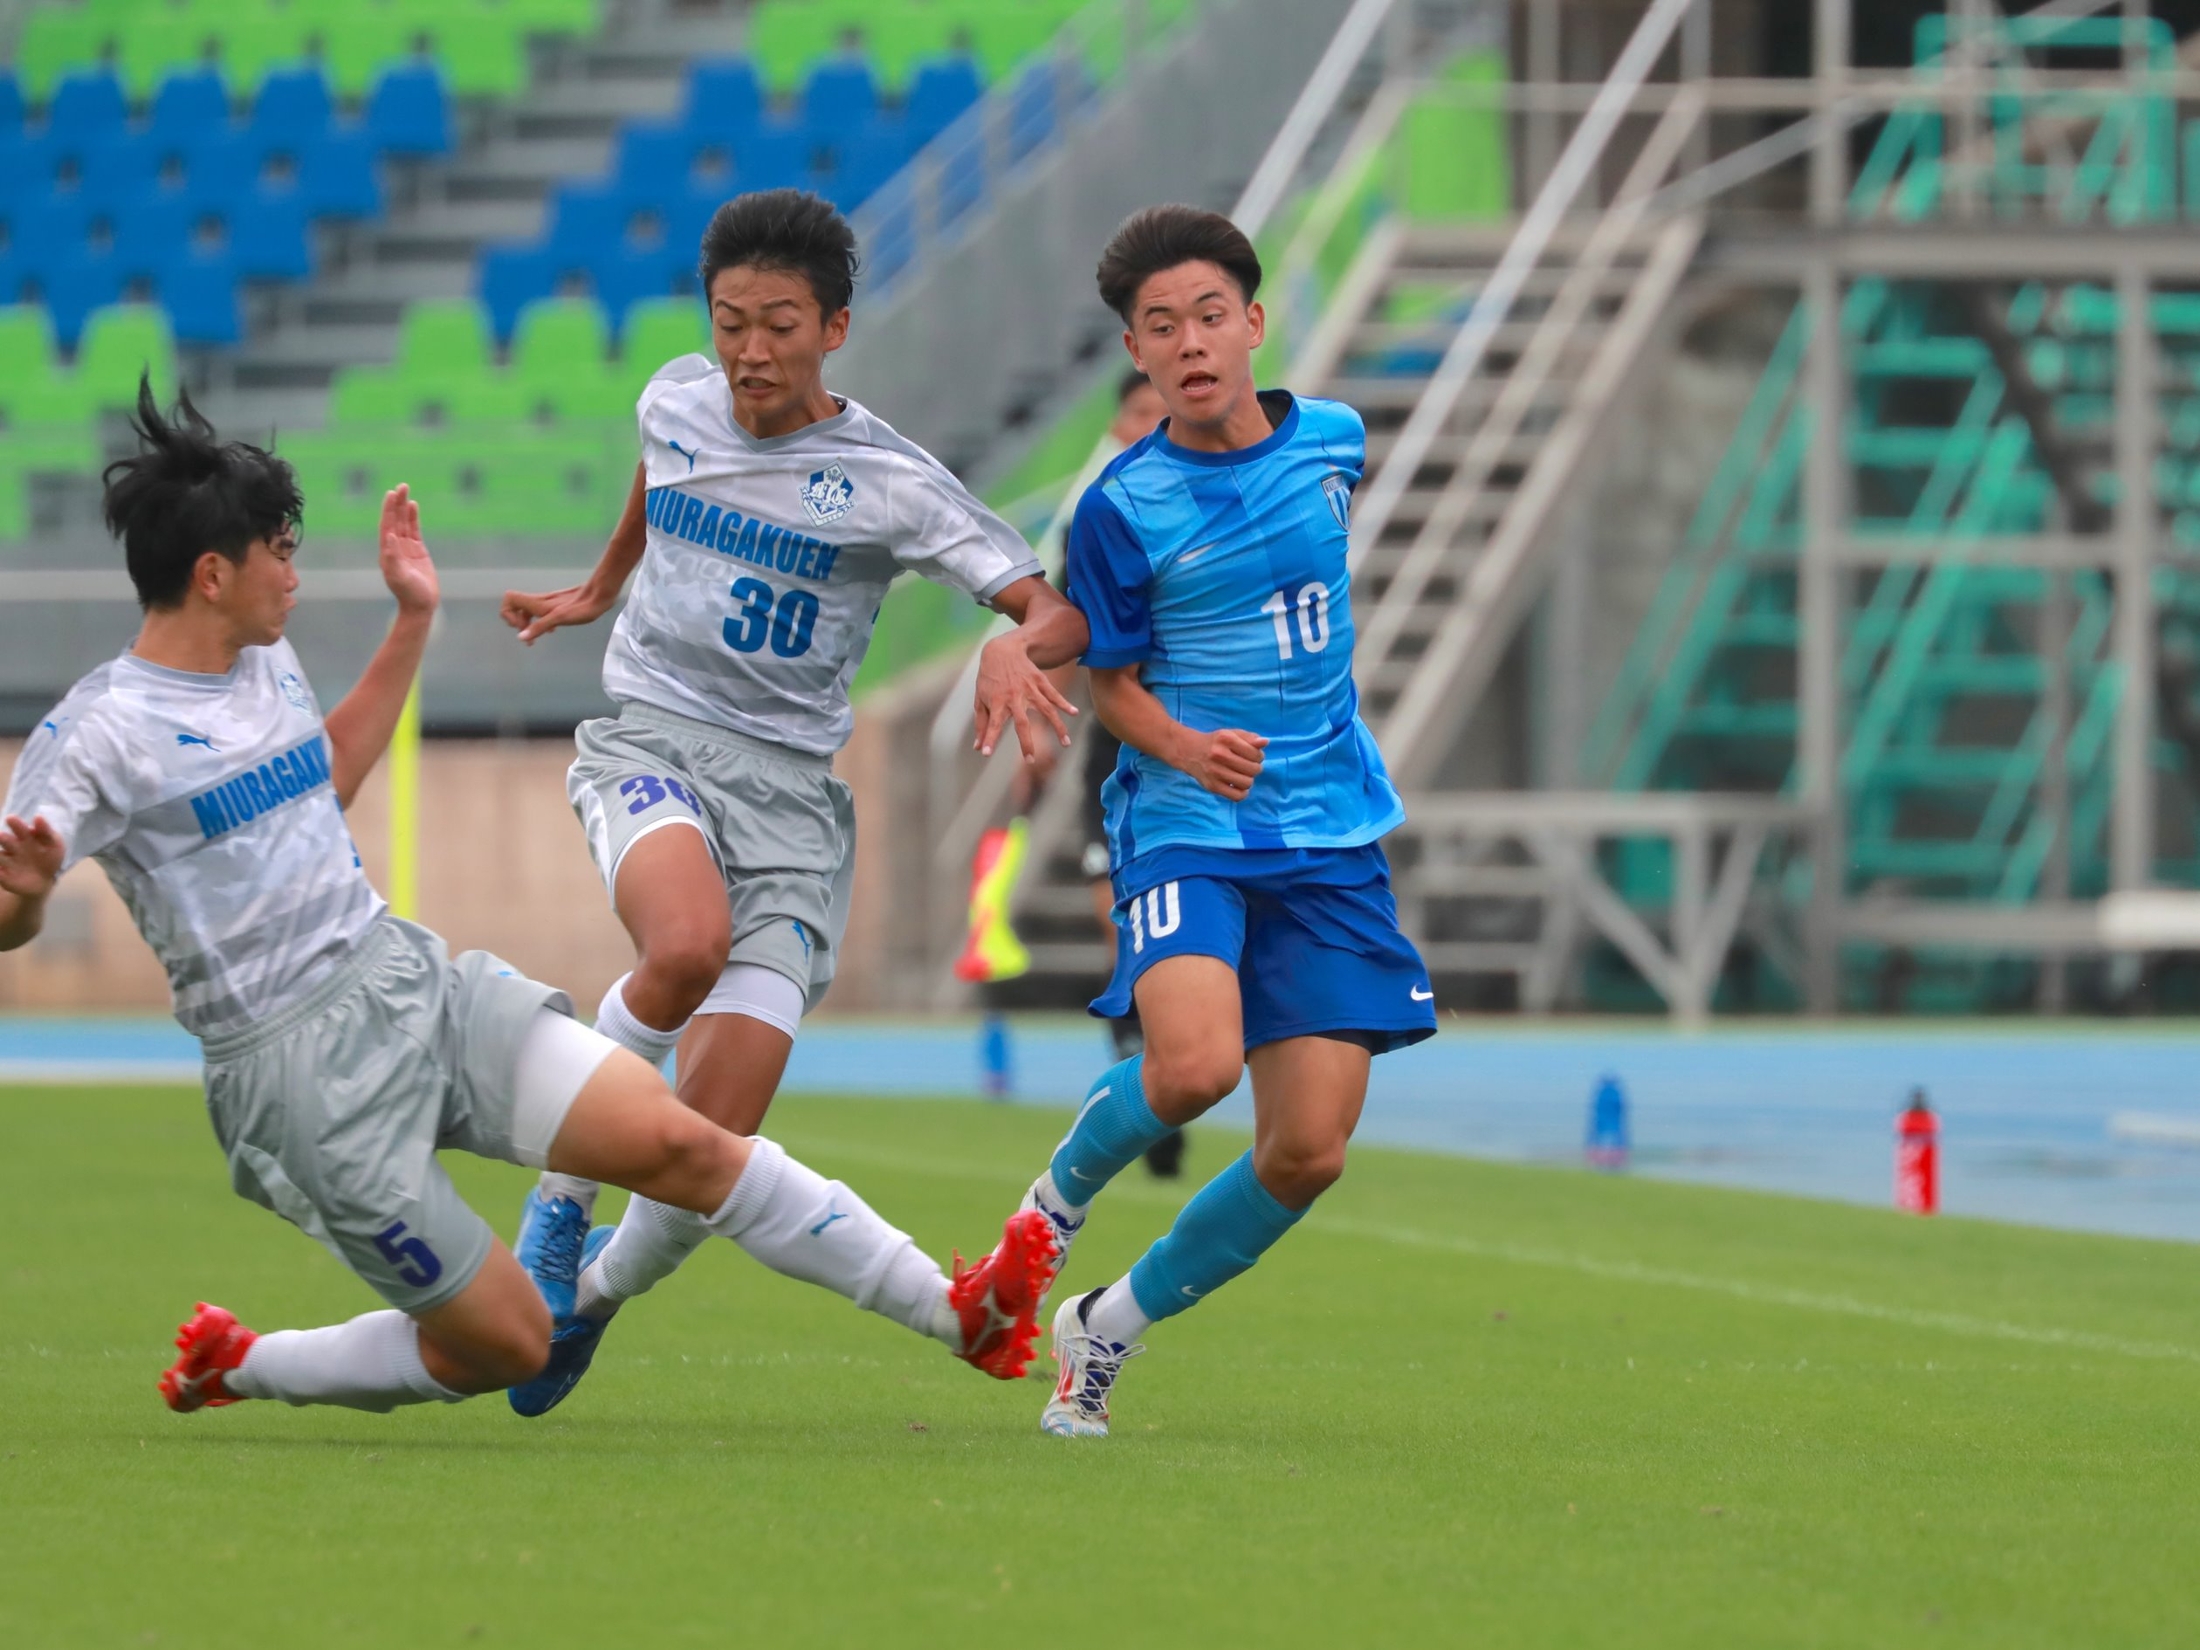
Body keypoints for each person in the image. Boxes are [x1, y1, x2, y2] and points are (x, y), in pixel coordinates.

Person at [0, 384, 1054, 1419]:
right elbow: (9, 908)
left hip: (407, 981)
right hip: (295, 1073)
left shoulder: (262, 668)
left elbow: (321, 781)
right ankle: (245, 1364)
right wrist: (31, 898)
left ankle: (961, 1315)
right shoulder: (97, 736)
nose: (295, 568)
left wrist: (414, 619)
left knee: (686, 1146)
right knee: (510, 1346)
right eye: (280, 548)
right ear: (213, 572)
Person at [496, 190, 1086, 1413]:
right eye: (729, 323)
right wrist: (604, 589)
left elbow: (1045, 601)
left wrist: (1016, 646)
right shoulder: (674, 396)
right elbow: (658, 481)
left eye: (777, 326)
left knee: (707, 1148)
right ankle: (553, 1214)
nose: (748, 352)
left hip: (790, 810)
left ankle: (587, 1304)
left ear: (836, 329)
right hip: (654, 740)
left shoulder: (890, 482)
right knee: (683, 947)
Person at [1006, 206, 1437, 1438]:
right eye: (1159, 328)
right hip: (1189, 816)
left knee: (1307, 1153)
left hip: (1332, 833)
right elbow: (1108, 674)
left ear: (1253, 324)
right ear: (1136, 357)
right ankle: (1052, 1205)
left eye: (1209, 316)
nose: (1189, 343)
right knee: (1191, 1067)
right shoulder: (1119, 505)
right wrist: (1181, 742)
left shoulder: (1336, 442)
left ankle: (1105, 1329)